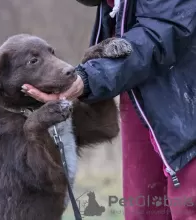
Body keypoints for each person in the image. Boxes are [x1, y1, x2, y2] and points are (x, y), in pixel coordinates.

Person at [21, 0, 196, 219]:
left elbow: (164, 28)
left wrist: (88, 78)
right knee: (145, 211)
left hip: (186, 99)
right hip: (138, 88)